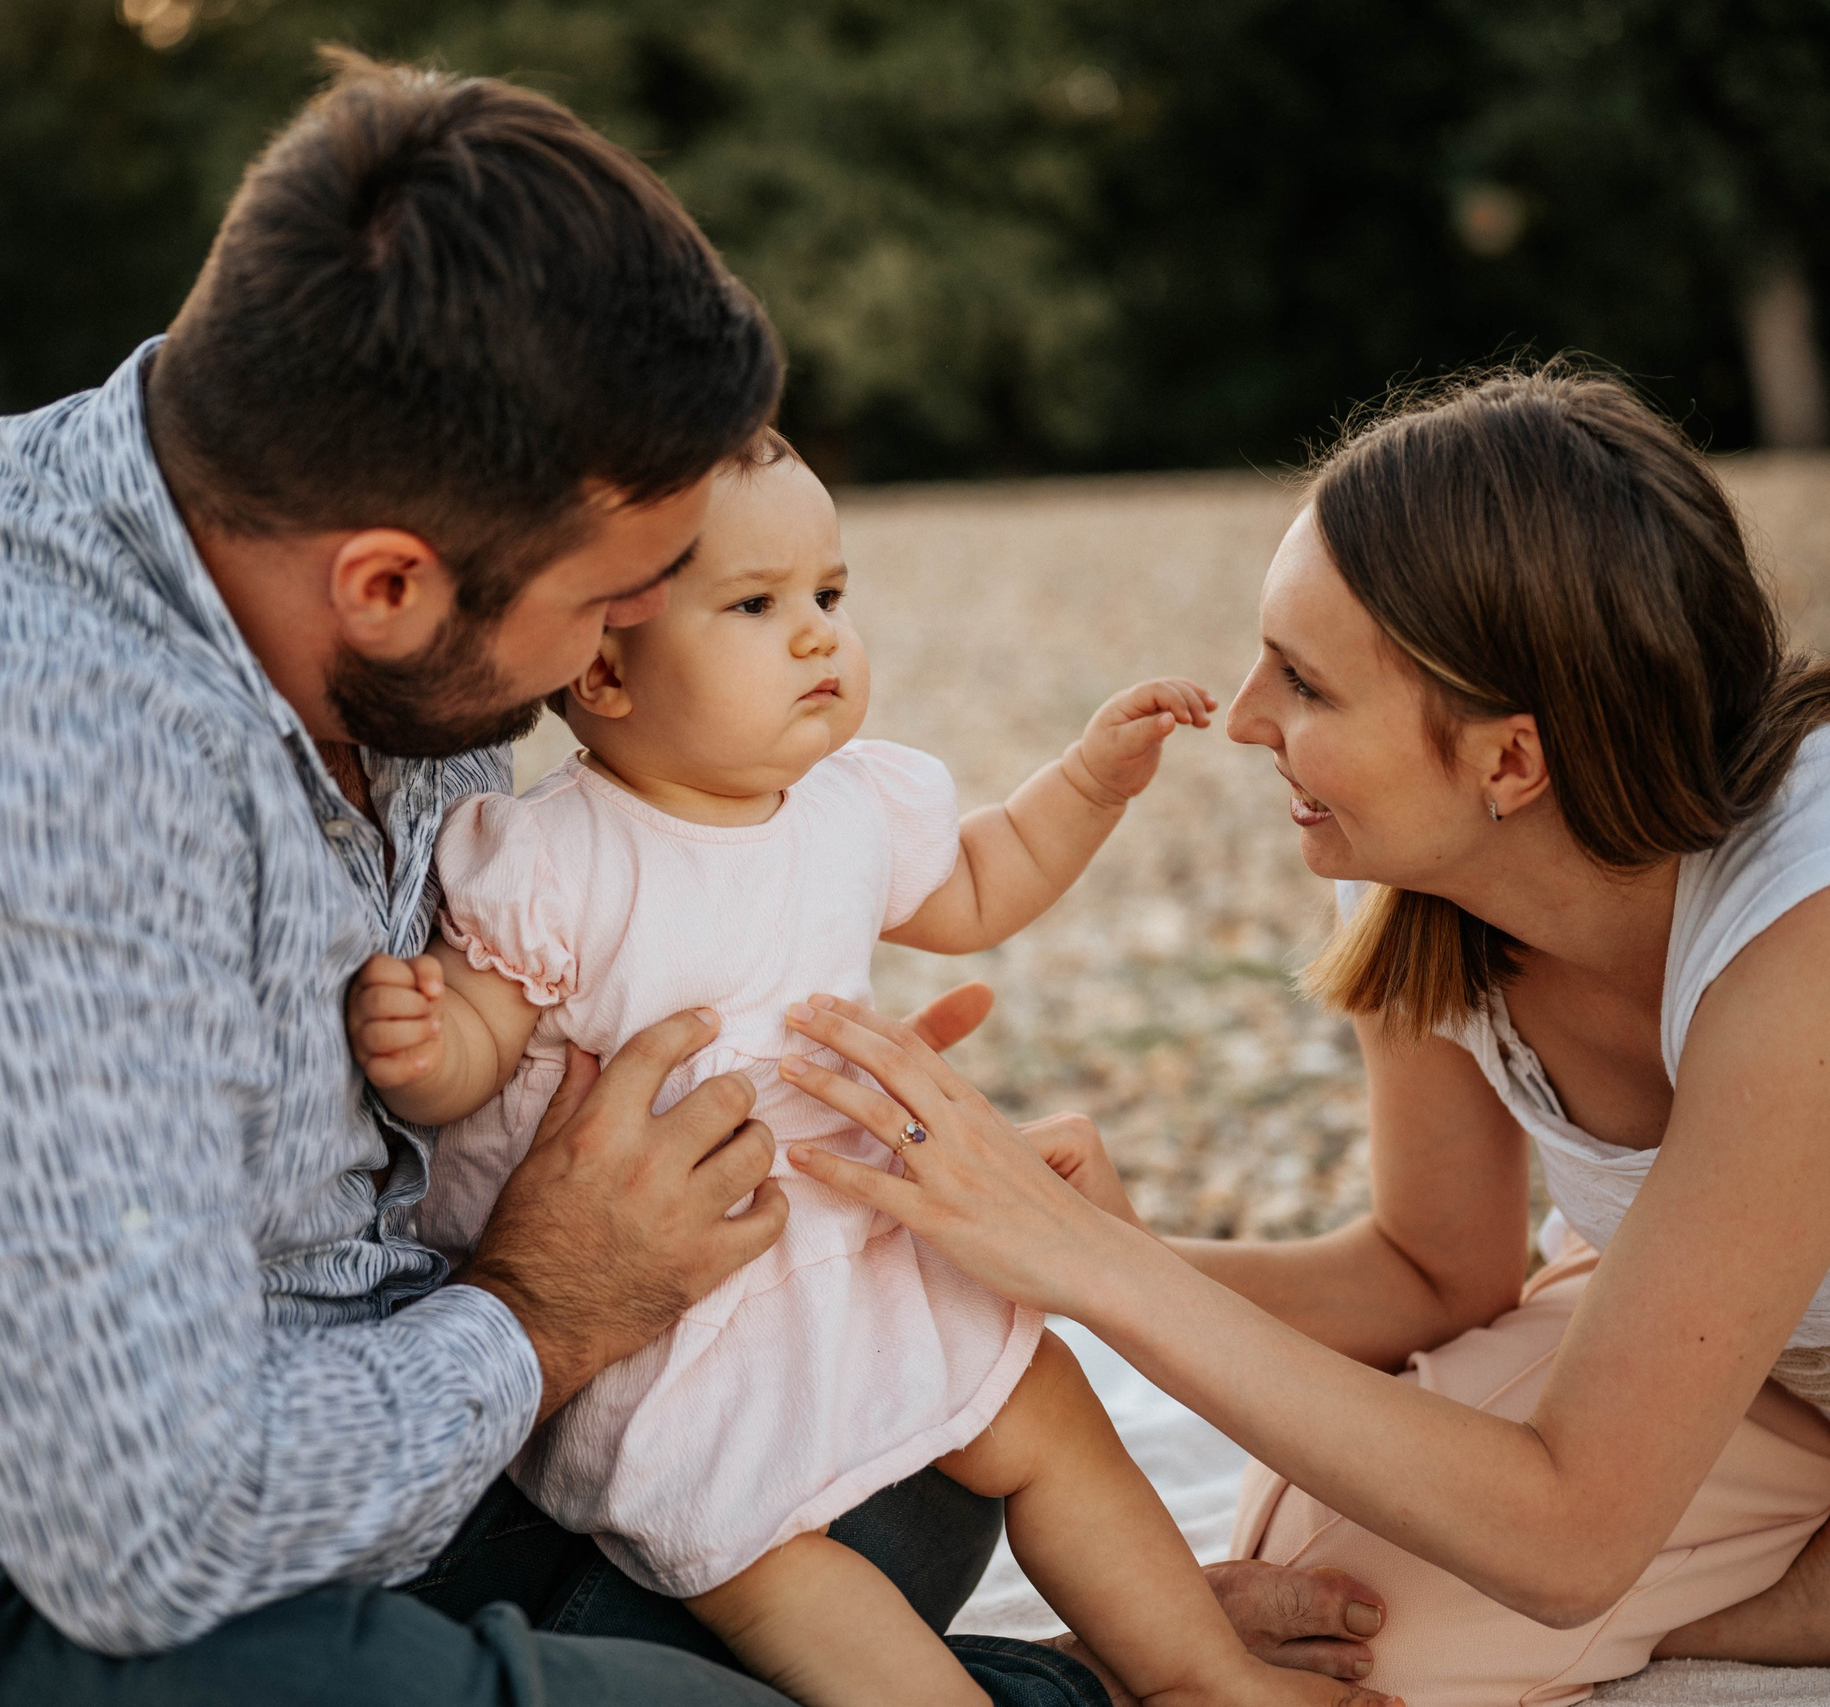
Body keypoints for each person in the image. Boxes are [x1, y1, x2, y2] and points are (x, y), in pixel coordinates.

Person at [0, 55, 1387, 1707]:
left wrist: (769, 1148)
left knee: (903, 1417)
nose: (624, 652)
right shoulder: (20, 780)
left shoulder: (321, 547)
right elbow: (149, 1537)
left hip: (332, 1424)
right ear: (387, 586)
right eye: (612, 607)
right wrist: (543, 1308)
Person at [767, 365, 1830, 1705]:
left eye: (1302, 681)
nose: (1242, 718)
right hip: (1794, 1382)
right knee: (1344, 1621)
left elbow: (1568, 1533)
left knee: (1450, 1568)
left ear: (1509, 762)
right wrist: (1059, 1246)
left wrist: (1105, 1275)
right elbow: (1433, 1266)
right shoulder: (1425, 869)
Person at [347, 428, 1357, 1707]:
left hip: (846, 1225)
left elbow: (983, 880)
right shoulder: (559, 858)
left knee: (1039, 1403)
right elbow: (482, 1043)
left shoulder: (845, 806)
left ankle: (1209, 1675)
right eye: (758, 607)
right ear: (602, 669)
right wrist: (424, 1046)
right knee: (766, 1556)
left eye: (829, 593)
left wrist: (1084, 788)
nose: (819, 635)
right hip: (668, 1312)